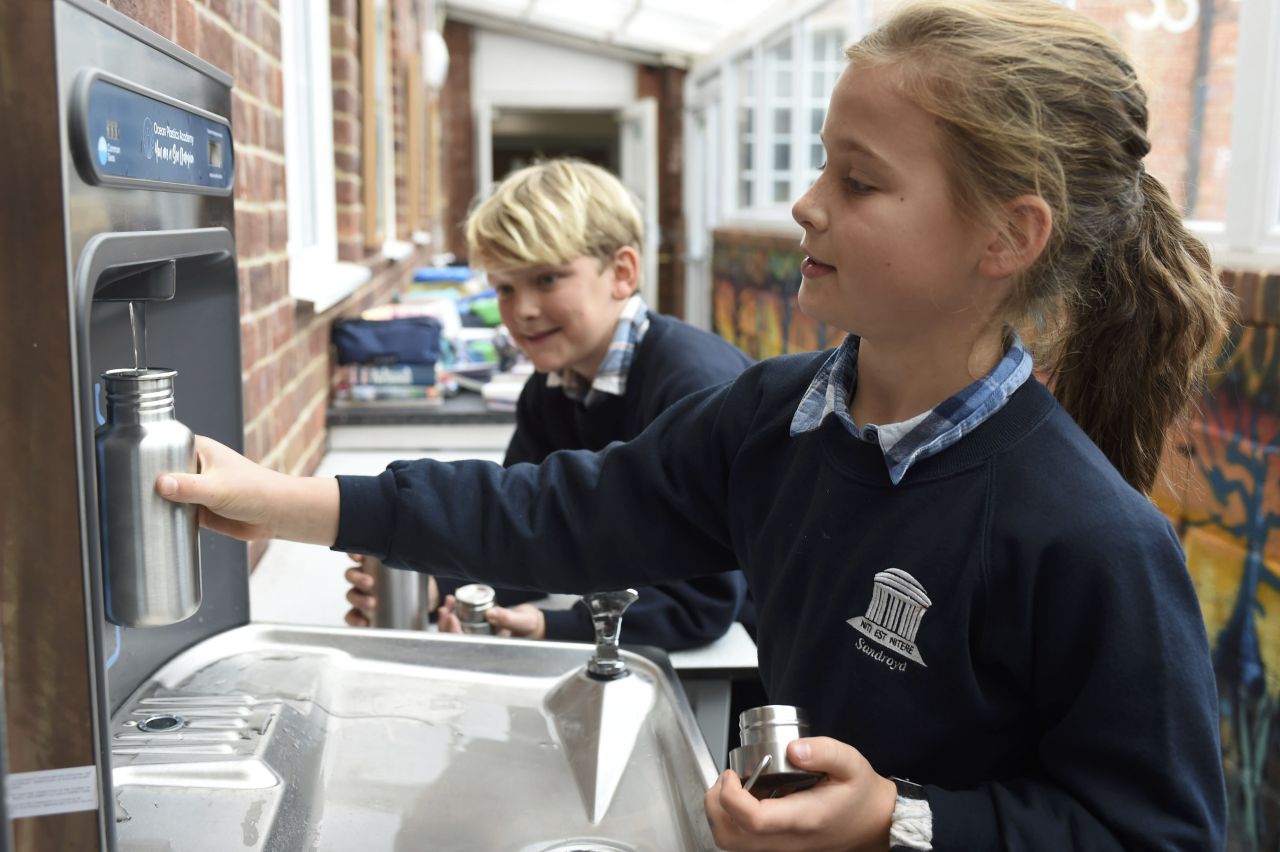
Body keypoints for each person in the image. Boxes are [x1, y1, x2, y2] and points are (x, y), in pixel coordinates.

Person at [157, 1, 1231, 848]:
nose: (807, 202)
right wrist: (281, 504)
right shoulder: (779, 420)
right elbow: (554, 515)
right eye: (821, 162)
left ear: (1006, 236)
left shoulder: (1090, 541)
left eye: (858, 181)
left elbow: (1155, 832)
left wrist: (901, 821)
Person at [345, 158, 754, 649]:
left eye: (547, 279)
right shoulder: (552, 386)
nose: (523, 311)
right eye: (505, 288)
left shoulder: (693, 387)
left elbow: (701, 603)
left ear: (621, 273)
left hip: (741, 661)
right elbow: (526, 533)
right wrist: (439, 585)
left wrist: (552, 627)